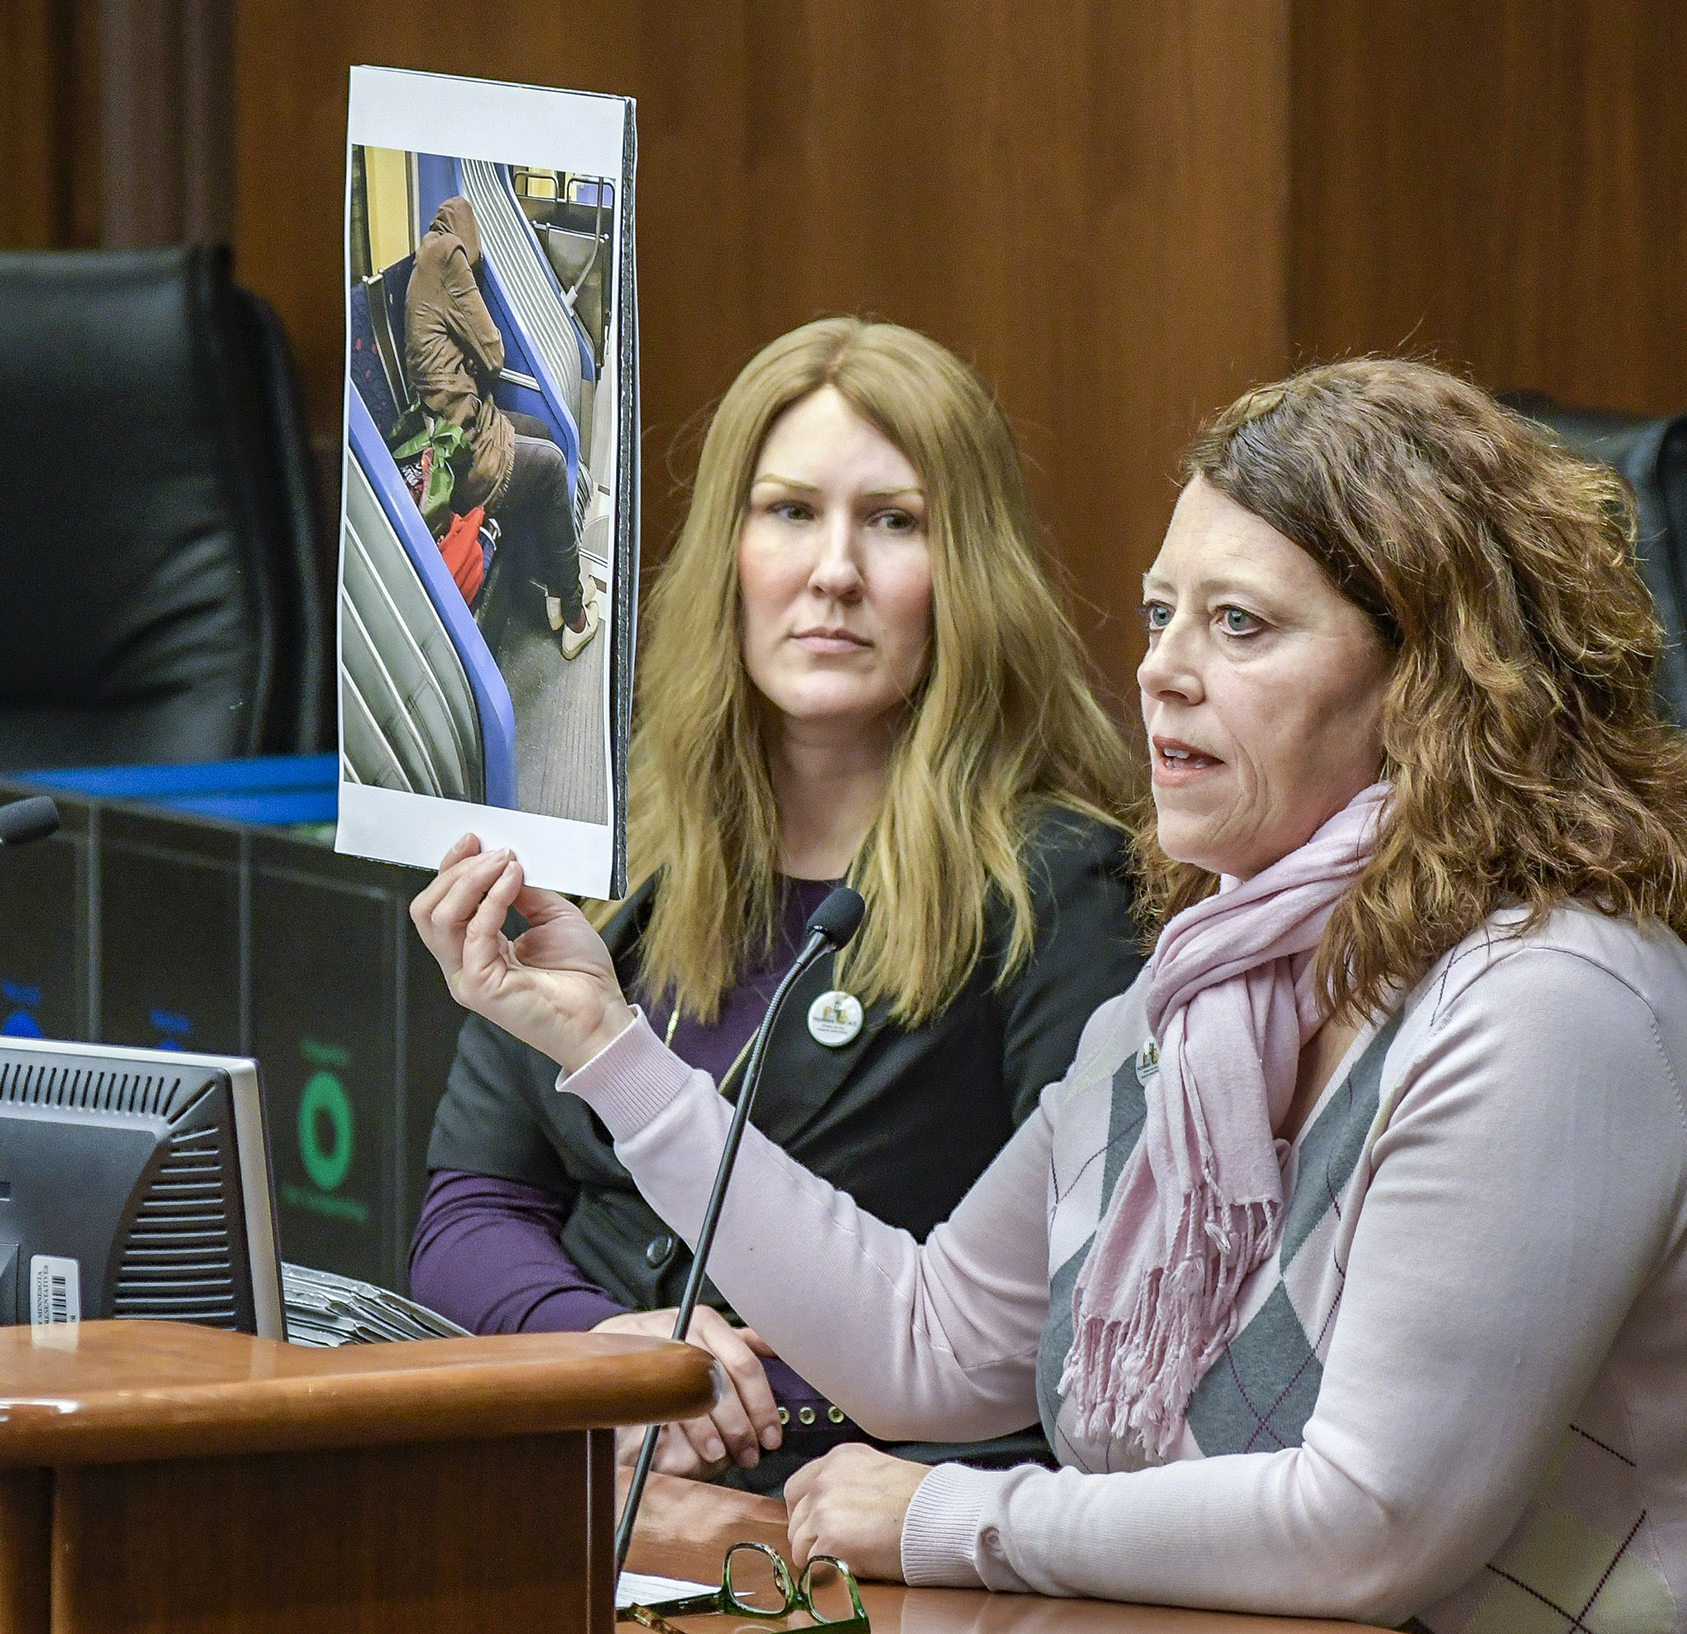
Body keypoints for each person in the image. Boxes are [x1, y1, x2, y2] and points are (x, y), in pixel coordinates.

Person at [412, 357, 1687, 1631]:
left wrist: (947, 1518)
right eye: (1160, 614)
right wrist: (606, 1046)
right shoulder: (1208, 988)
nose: (1161, 670)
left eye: (1239, 625)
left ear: (1430, 681)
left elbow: (1371, 1526)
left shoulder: (1550, 1003)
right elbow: (930, 1339)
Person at [409, 317, 1146, 1492]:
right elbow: (467, 1213)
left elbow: (1076, 1322)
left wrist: (719, 1393)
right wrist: (602, 1344)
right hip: (589, 1482)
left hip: (849, 1521)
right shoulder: (615, 843)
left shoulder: (1058, 883)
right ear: (730, 549)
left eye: (895, 521)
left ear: (970, 569)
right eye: (791, 512)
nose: (833, 570)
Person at [405, 194, 600, 660]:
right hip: (463, 453)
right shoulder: (448, 257)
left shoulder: (426, 262)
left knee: (545, 432)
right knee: (552, 466)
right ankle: (573, 615)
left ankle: (556, 587)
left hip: (460, 428)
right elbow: (493, 353)